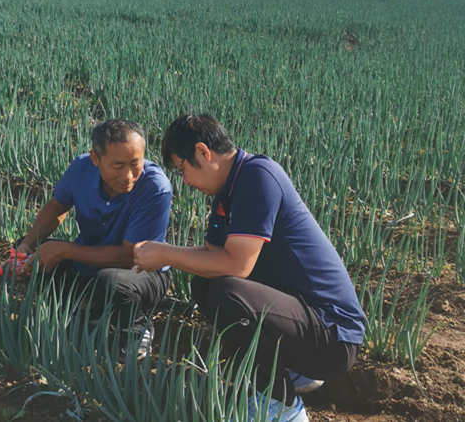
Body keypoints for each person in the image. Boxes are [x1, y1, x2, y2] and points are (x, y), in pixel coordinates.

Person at [133, 114, 366, 421]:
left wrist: (166, 254)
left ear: (204, 152)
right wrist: (161, 253)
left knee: (230, 296)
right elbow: (212, 256)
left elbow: (237, 265)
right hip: (301, 320)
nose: (185, 180)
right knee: (205, 285)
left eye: (183, 168)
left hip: (333, 334)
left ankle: (282, 408)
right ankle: (291, 374)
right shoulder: (227, 193)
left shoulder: (258, 175)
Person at [0, 119, 173, 359]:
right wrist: (27, 246)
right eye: (118, 165)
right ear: (95, 158)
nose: (128, 175)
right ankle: (87, 308)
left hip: (141, 272)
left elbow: (129, 256)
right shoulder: (82, 168)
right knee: (36, 252)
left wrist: (64, 251)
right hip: (91, 257)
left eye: (135, 164)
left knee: (112, 282)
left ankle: (137, 328)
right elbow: (57, 206)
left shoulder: (155, 187)